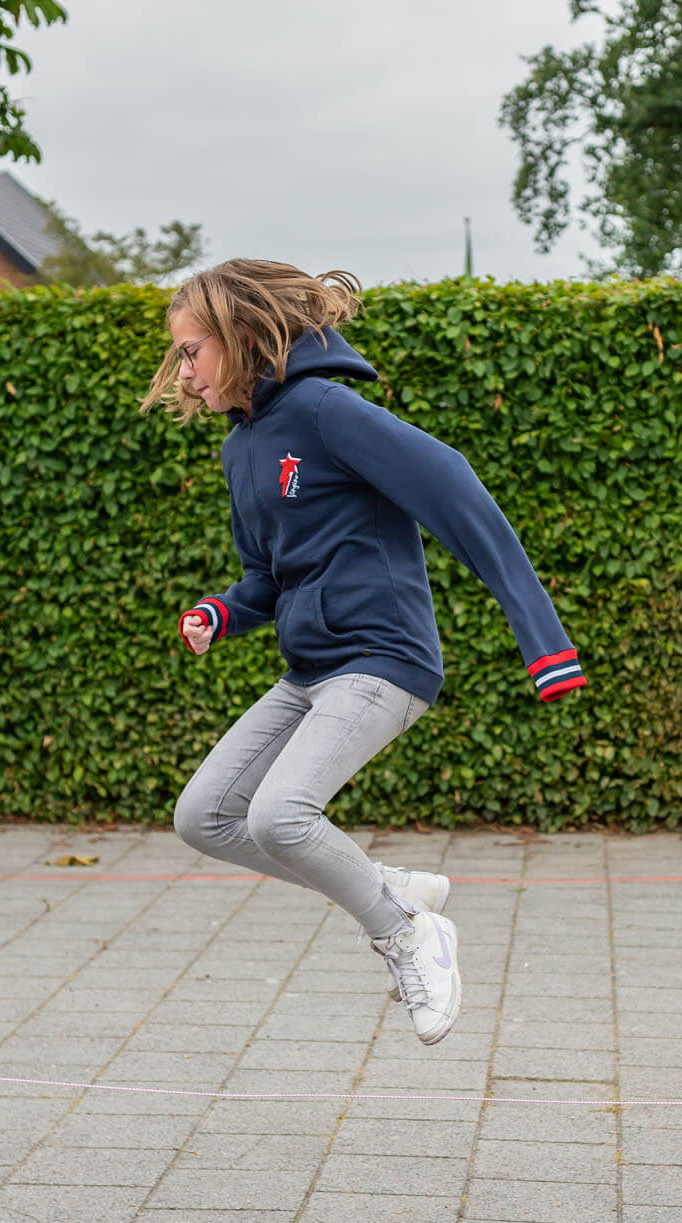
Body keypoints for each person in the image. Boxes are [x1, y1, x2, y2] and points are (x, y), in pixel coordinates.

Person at [143, 260, 585, 1047]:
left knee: (282, 814)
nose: (181, 371)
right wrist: (221, 611)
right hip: (311, 669)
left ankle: (409, 934)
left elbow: (453, 484)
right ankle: (382, 886)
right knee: (203, 815)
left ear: (243, 337)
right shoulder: (241, 450)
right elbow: (267, 578)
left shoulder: (324, 410)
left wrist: (544, 644)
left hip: (384, 658)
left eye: (190, 350)